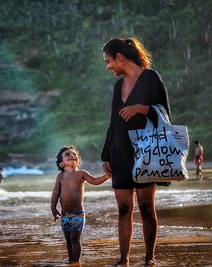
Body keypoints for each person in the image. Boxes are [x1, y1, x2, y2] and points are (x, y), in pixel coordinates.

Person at [101, 37, 171, 266]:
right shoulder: (117, 86)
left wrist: (141, 108)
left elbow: (165, 116)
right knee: (123, 208)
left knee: (146, 207)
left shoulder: (151, 78)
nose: (108, 66)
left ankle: (149, 257)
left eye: (108, 61)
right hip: (119, 152)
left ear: (119, 58)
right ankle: (124, 260)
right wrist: (106, 155)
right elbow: (113, 121)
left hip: (145, 152)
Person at [51, 145, 111, 264]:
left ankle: (76, 261)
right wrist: (53, 208)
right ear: (61, 164)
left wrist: (106, 176)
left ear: (78, 161)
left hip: (78, 214)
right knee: (68, 239)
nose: (72, 155)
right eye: (67, 154)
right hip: (64, 214)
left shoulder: (81, 174)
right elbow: (55, 193)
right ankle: (71, 260)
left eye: (74, 154)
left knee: (74, 238)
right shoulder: (60, 177)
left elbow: (95, 181)